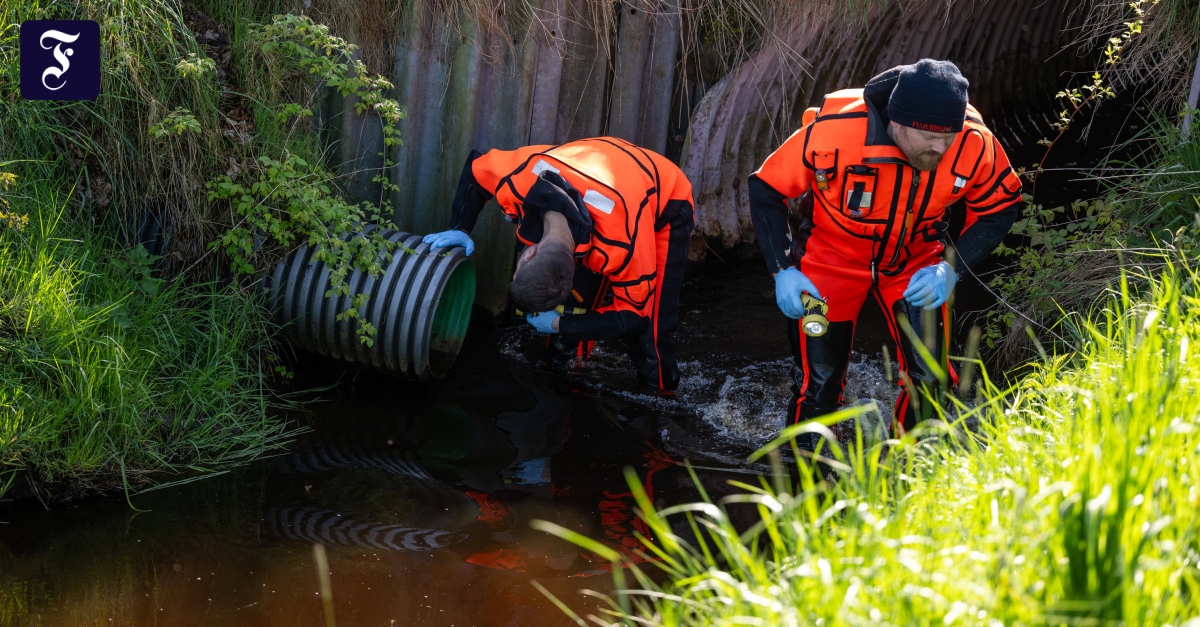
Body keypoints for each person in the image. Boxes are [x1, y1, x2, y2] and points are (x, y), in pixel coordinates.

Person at [748, 59, 1023, 440]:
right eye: (929, 137)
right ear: (896, 121)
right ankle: (804, 485)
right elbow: (766, 189)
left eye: (949, 136)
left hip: (916, 262)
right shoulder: (834, 132)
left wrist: (951, 267)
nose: (940, 147)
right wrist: (782, 270)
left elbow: (1001, 207)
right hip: (831, 260)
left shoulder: (974, 141)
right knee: (820, 386)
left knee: (932, 379)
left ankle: (900, 472)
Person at [422, 137, 695, 392]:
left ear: (529, 254)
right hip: (599, 169)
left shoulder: (620, 248)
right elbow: (476, 168)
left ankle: (661, 398)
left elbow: (634, 318)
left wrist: (557, 325)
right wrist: (460, 227)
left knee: (652, 330)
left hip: (665, 201)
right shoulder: (519, 180)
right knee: (576, 302)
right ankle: (570, 370)